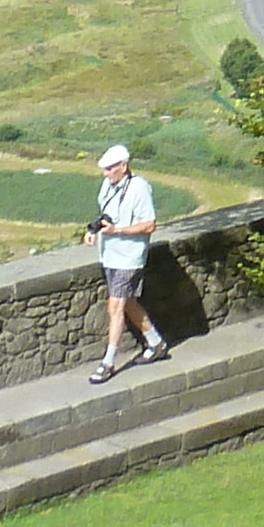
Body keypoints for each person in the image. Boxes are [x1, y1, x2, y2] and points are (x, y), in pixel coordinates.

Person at [83, 144, 170, 382]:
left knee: (116, 307)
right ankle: (156, 342)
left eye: (110, 169)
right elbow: (106, 215)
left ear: (124, 166)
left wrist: (118, 230)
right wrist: (94, 230)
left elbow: (150, 225)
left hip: (129, 258)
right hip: (110, 255)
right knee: (129, 302)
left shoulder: (139, 188)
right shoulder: (108, 186)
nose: (106, 174)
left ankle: (108, 362)